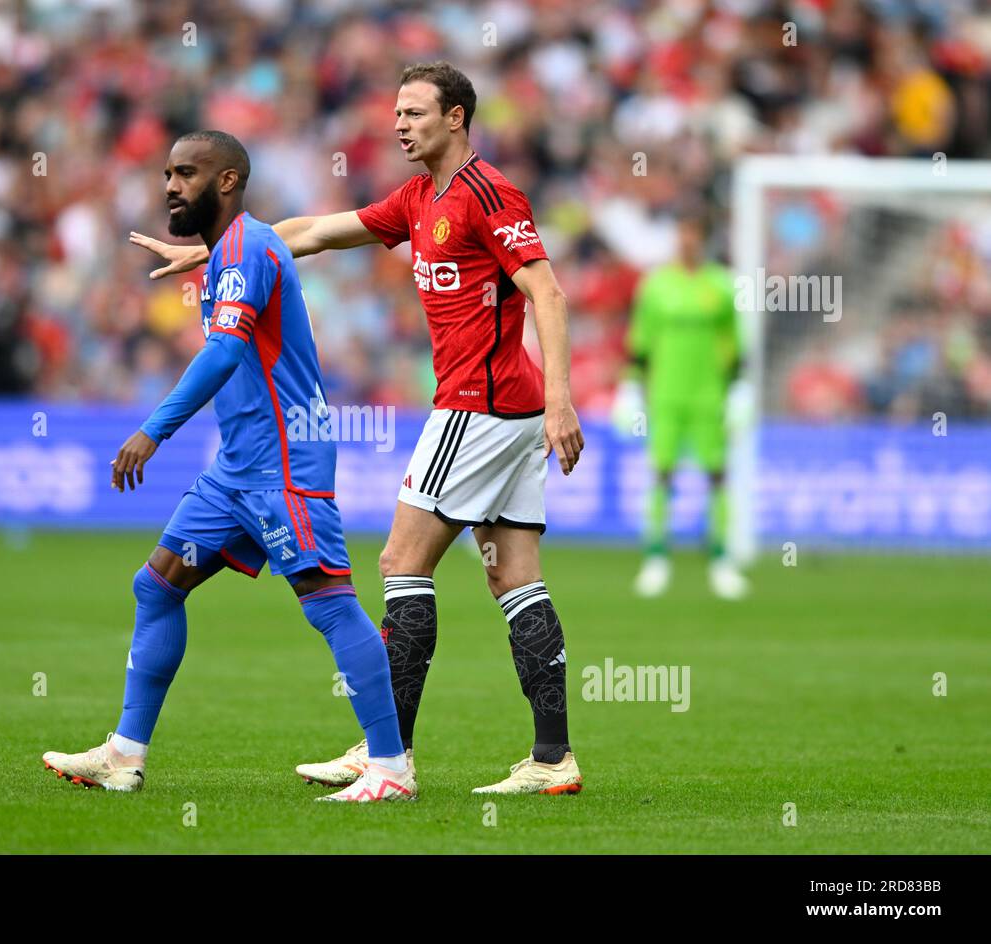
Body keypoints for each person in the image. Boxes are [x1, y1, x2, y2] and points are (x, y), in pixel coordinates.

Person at [132, 63, 586, 796]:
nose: (400, 124)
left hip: (480, 405)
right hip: (505, 412)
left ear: (458, 118)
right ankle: (552, 758)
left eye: (415, 112)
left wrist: (564, 399)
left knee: (401, 564)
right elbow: (311, 232)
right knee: (515, 578)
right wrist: (218, 250)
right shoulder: (417, 199)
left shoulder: (489, 194)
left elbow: (548, 291)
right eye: (397, 112)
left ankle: (387, 752)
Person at [41, 131, 413, 802]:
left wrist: (153, 431)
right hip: (237, 469)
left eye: (187, 173)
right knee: (157, 585)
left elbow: (221, 353)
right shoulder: (234, 251)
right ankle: (124, 754)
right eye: (166, 173)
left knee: (329, 604)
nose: (170, 185)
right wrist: (206, 255)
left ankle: (391, 765)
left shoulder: (247, 247)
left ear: (227, 182)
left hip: (284, 465)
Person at [613, 212, 751, 600]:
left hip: (710, 396)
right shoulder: (656, 285)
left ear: (703, 239)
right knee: (661, 474)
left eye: (694, 233)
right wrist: (630, 388)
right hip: (666, 396)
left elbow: (733, 343)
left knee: (717, 475)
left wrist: (739, 389)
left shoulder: (721, 285)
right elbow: (641, 342)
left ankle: (721, 560)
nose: (687, 241)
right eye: (682, 233)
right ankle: (656, 558)